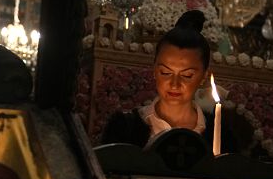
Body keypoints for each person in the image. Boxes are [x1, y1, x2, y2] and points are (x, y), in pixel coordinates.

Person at [101, 10, 251, 153]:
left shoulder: (219, 133)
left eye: (187, 75)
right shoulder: (126, 128)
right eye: (165, 72)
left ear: (204, 77)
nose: (174, 84)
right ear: (154, 70)